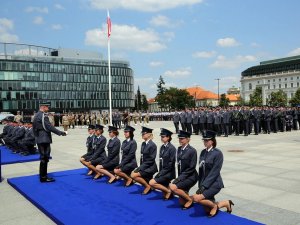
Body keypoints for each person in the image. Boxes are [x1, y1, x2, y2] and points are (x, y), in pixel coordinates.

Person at [192, 130, 233, 217]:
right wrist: (200, 185)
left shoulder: (217, 153)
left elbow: (215, 172)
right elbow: (201, 171)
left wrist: (204, 186)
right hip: (205, 184)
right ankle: (225, 203)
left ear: (212, 141)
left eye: (207, 140)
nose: (205, 142)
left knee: (196, 198)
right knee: (207, 210)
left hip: (215, 183)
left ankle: (215, 206)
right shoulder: (203, 152)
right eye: (204, 140)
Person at [33, 102, 67, 182]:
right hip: (44, 138)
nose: (48, 108)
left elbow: (34, 128)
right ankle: (44, 177)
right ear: (43, 107)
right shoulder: (43, 116)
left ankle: (43, 176)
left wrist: (36, 137)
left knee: (43, 158)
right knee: (45, 158)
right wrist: (61, 133)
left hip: (39, 138)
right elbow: (49, 126)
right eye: (47, 107)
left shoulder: (36, 115)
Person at [169, 130, 198, 210]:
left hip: (191, 176)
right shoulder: (179, 149)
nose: (180, 140)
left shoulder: (192, 151)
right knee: (182, 202)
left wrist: (179, 179)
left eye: (182, 139)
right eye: (179, 138)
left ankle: (190, 200)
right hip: (183, 176)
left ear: (188, 139)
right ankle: (186, 194)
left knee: (173, 187)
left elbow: (191, 168)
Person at [149, 128, 176, 200]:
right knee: (156, 186)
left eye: (163, 137)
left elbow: (171, 163)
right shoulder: (162, 147)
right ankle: (167, 190)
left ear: (168, 137)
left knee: (152, 183)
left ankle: (168, 191)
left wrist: (161, 173)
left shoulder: (172, 148)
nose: (162, 138)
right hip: (163, 171)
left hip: (168, 172)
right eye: (161, 137)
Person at [131, 126, 158, 195]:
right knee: (134, 174)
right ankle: (148, 185)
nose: (142, 135)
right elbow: (142, 157)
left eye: (144, 133)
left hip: (150, 167)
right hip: (144, 166)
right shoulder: (143, 143)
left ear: (149, 134)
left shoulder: (152, 145)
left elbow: (151, 160)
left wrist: (140, 168)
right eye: (142, 133)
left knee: (133, 175)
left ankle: (147, 186)